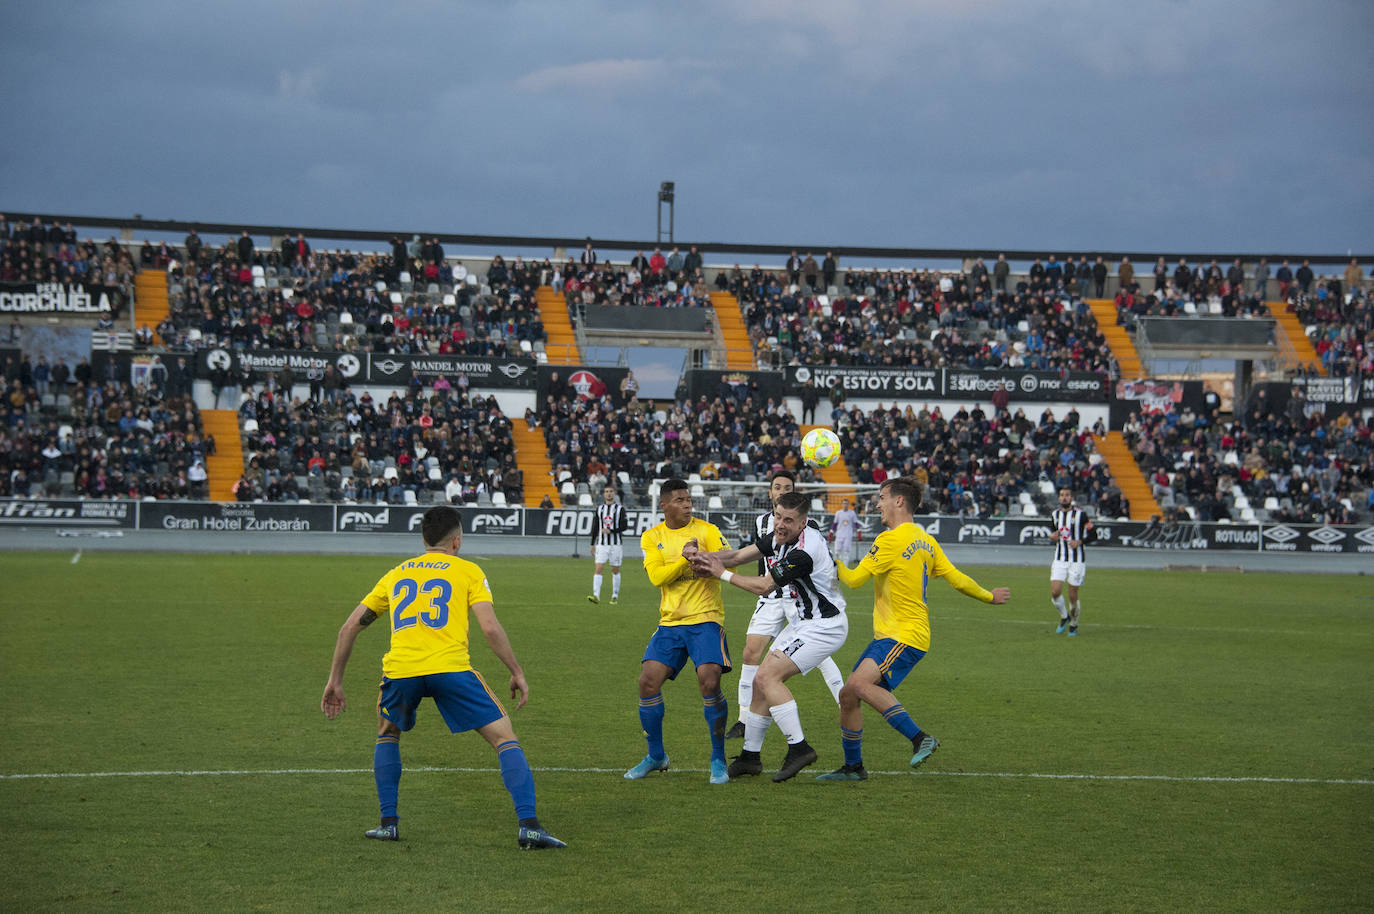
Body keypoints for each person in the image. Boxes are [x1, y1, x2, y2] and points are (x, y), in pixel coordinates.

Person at [320, 505, 566, 849]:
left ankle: (388, 824)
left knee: (387, 734)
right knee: (504, 739)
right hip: (450, 669)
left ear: (423, 540)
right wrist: (516, 671)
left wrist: (335, 680)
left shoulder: (396, 574)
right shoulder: (468, 571)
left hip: (402, 671)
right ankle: (529, 827)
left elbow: (348, 628)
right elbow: (490, 628)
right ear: (457, 541)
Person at [817, 476, 1010, 781]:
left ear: (899, 501)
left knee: (859, 686)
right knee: (848, 694)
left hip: (902, 635)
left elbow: (853, 580)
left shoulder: (889, 540)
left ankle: (920, 738)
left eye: (882, 498)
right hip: (902, 635)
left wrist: (828, 561)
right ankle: (853, 767)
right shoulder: (926, 540)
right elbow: (957, 578)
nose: (877, 504)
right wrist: (989, 596)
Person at [693, 491, 848, 782]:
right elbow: (738, 555)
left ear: (803, 522)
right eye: (777, 516)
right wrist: (703, 557)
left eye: (788, 520)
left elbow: (765, 586)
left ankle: (799, 748)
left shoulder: (804, 551)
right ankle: (750, 757)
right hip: (804, 622)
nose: (780, 524)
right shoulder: (781, 536)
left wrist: (720, 573)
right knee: (759, 682)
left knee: (767, 678)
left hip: (824, 626)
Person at [624, 478, 733, 785]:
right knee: (647, 682)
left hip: (706, 618)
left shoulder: (707, 531)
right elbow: (657, 577)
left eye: (689, 500)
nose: (687, 505)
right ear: (664, 505)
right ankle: (656, 756)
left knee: (709, 680)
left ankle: (718, 759)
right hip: (671, 623)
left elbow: (730, 561)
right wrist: (685, 561)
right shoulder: (652, 537)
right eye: (680, 500)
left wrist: (705, 558)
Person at [721, 470, 844, 740]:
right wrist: (705, 559)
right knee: (751, 655)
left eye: (787, 488)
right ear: (770, 493)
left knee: (814, 657)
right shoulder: (764, 524)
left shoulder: (808, 534)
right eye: (777, 487)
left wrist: (721, 573)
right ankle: (744, 723)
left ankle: (840, 704)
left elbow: (782, 571)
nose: (781, 492)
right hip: (771, 597)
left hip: (796, 598)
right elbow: (747, 555)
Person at [1049, 486, 1093, 636]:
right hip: (1060, 558)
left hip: (1077, 560)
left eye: (1067, 495)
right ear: (1059, 498)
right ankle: (1064, 616)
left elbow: (1093, 534)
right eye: (1062, 495)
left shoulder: (1081, 515)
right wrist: (1052, 536)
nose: (1064, 497)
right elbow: (1054, 533)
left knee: (1072, 595)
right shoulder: (1055, 515)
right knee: (1055, 592)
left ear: (1071, 498)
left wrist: (1080, 541)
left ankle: (1074, 624)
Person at [588, 484, 627, 604]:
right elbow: (595, 527)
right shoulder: (599, 509)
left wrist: (611, 531)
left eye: (611, 491)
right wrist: (592, 543)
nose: (609, 493)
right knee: (598, 568)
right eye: (606, 491)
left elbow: (624, 526)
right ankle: (596, 595)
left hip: (616, 544)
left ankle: (614, 595)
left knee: (615, 570)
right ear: (604, 494)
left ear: (614, 493)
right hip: (601, 544)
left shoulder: (620, 509)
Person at [830, 497, 860, 567]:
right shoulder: (838, 513)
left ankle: (845, 569)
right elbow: (835, 523)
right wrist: (831, 532)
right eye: (844, 503)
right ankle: (837, 568)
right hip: (839, 535)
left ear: (848, 504)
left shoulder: (852, 513)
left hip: (848, 535)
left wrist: (859, 532)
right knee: (837, 553)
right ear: (842, 504)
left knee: (846, 553)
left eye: (846, 504)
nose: (845, 505)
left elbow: (856, 523)